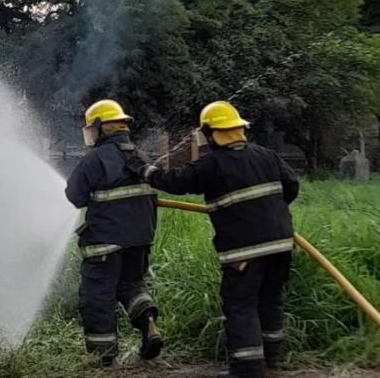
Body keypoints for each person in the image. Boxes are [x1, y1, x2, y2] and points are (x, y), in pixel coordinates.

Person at [129, 101, 298, 378]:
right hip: (281, 243)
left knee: (240, 305)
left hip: (244, 251)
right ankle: (271, 362)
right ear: (239, 129)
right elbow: (291, 186)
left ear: (210, 133)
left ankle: (247, 369)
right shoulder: (267, 155)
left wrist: (144, 170)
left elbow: (175, 182)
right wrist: (272, 214)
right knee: (270, 300)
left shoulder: (213, 164)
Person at [65, 99, 163, 367]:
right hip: (140, 240)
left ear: (99, 127)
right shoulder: (140, 157)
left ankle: (103, 355)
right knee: (131, 286)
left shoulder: (95, 160)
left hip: (105, 242)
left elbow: (74, 196)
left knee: (97, 294)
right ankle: (148, 323)